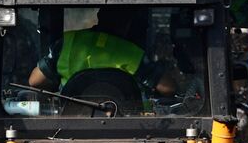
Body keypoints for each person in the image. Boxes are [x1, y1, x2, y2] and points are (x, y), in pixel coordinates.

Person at [27, 6, 176, 102]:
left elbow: (35, 81)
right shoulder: (131, 52)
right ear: (128, 23)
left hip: (71, 124)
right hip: (126, 127)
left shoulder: (68, 43)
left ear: (99, 16)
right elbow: (168, 88)